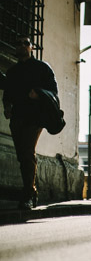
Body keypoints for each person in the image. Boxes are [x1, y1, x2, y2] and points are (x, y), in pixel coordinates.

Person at [3, 36, 58, 210]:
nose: (22, 46)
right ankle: (31, 191)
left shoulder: (42, 68)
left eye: (26, 43)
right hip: (18, 118)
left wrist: (38, 94)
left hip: (35, 117)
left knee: (27, 152)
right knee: (22, 155)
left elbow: (53, 92)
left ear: (32, 47)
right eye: (18, 43)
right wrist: (7, 107)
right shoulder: (12, 72)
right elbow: (7, 95)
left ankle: (28, 194)